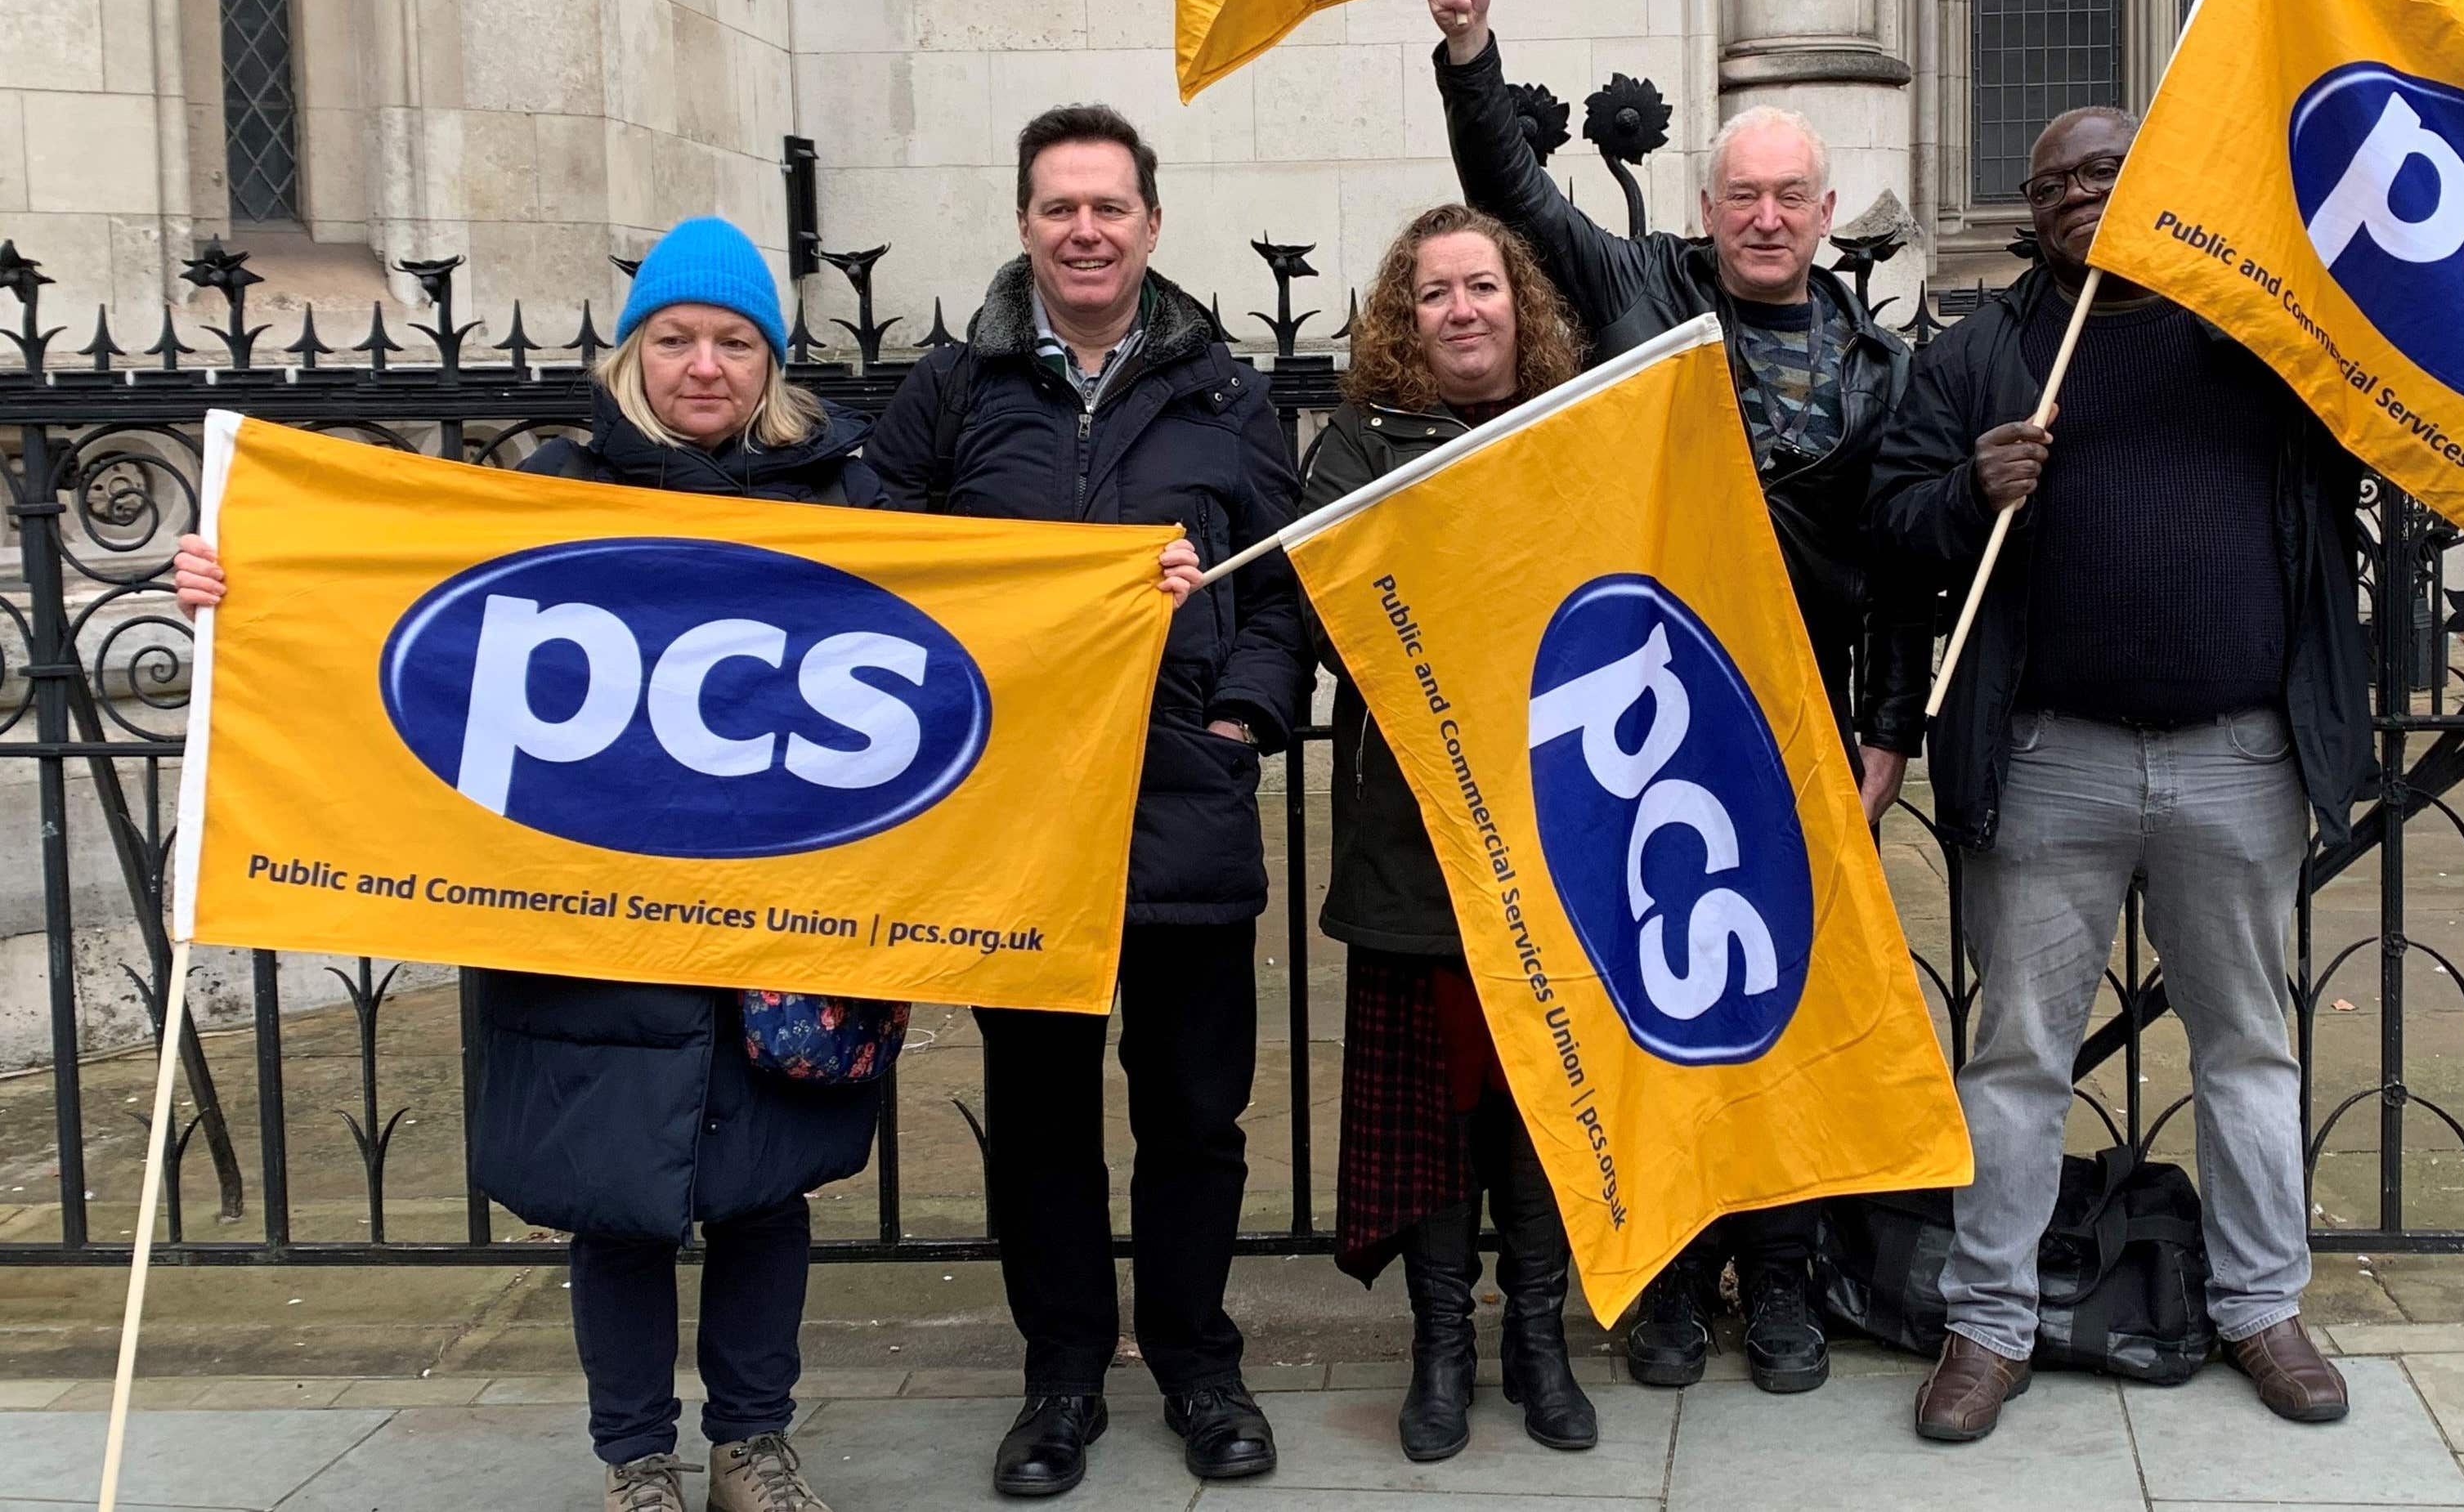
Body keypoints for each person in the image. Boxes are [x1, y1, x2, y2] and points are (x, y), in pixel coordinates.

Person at [170, 217, 1201, 1512]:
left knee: (765, 1193)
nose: (703, 365)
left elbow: (977, 630)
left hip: (782, 924)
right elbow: (387, 628)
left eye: (732, 341)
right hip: (588, 923)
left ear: (771, 362)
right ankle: (635, 1456)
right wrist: (238, 582)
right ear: (633, 352)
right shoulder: (544, 490)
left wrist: (1119, 592)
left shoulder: (847, 497)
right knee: (617, 1204)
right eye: (676, 339)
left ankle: (752, 1445)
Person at [1423, 0, 1926, 1396]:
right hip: (1650, 704)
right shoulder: (1637, 286)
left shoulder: (1882, 370)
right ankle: (1667, 1278)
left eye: (1790, 197)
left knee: (1786, 1004)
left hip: (1809, 718)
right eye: (1741, 194)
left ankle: (1779, 1277)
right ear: (1709, 208)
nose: (1765, 216)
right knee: (1653, 991)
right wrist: (1473, 52)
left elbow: (1905, 568)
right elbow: (1513, 194)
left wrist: (1887, 728)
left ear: (1827, 217)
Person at [1870, 106, 2369, 1441]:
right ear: (2028, 212)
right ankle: (1990, 1321)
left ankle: (2261, 1304)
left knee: (2248, 1045)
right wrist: (1972, 488)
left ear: (2159, 175)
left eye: (2107, 168)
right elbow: (1898, 529)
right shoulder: (1985, 356)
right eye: (2053, 182)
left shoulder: (2256, 332)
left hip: (2237, 756)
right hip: (2051, 759)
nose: (2082, 191)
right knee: (2019, 1055)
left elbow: (2377, 444)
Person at [864, 105, 1308, 1499]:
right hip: (1017, 817)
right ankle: (1061, 1374)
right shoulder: (954, 391)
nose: (1086, 229)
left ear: (1152, 225)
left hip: (1182, 800)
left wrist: (1240, 710)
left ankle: (1194, 1359)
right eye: (1059, 207)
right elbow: (860, 561)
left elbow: (1287, 592)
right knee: (1042, 1115)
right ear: (1023, 225)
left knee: (1194, 1113)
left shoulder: (1231, 400)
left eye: (1109, 206)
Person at [1304, 205, 1596, 1463]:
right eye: (1435, 293)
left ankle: (1538, 1334)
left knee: (1542, 1099)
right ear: (1402, 317)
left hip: (1559, 822)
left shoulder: (1583, 430)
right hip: (1414, 838)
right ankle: (1440, 1346)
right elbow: (1319, 622)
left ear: (1519, 303)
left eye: (1484, 285)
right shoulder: (1355, 450)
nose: (1463, 309)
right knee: (1434, 1101)